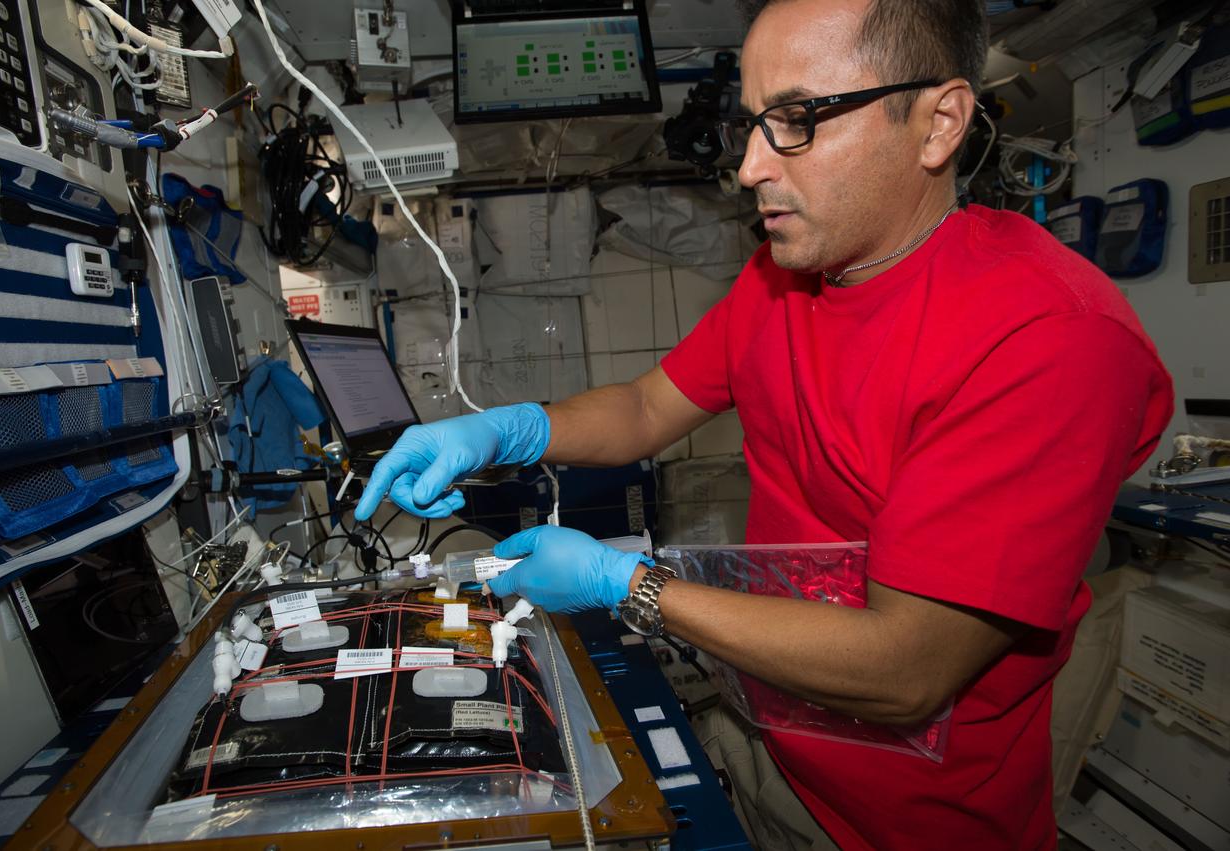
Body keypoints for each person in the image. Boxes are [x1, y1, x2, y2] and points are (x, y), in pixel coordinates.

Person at [356, 0, 1174, 846]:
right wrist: (500, 430)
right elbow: (645, 407)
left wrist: (623, 585)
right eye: (751, 125)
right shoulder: (787, 275)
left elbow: (907, 670)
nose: (749, 166)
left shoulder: (1045, 341)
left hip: (906, 823)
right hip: (769, 744)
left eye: (795, 120)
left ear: (937, 124)